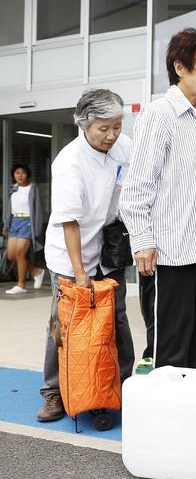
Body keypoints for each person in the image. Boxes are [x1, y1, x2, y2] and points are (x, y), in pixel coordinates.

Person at [119, 28, 196, 369]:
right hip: (168, 252)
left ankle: (190, 400)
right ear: (181, 68)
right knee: (169, 348)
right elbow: (136, 188)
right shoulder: (160, 115)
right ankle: (164, 404)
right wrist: (142, 241)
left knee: (194, 343)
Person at [37, 89, 135, 422]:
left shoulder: (124, 147)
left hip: (108, 248)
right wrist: (80, 273)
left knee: (116, 318)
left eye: (117, 126)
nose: (111, 135)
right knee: (65, 323)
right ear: (83, 124)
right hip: (70, 254)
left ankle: (119, 386)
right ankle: (54, 391)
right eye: (103, 128)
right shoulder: (70, 161)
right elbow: (70, 222)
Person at [3, 164, 46, 294]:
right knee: (11, 256)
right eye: (17, 173)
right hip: (14, 222)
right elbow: (9, 209)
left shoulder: (33, 188)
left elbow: (38, 209)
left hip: (27, 222)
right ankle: (36, 271)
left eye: (23, 173)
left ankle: (21, 285)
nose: (20, 176)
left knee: (20, 253)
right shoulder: (13, 189)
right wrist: (6, 225)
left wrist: (37, 228)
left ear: (27, 174)